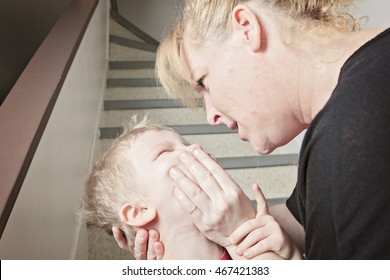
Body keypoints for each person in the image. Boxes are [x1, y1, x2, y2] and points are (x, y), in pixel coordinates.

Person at [114, 0, 390, 259]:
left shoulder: (354, 132)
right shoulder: (360, 100)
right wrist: (178, 233)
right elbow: (311, 221)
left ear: (246, 28)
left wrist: (238, 235)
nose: (211, 116)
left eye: (204, 83)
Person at [81, 116, 302, 260]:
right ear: (138, 212)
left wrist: (290, 254)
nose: (196, 147)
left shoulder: (248, 239)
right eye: (165, 152)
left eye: (186, 144)